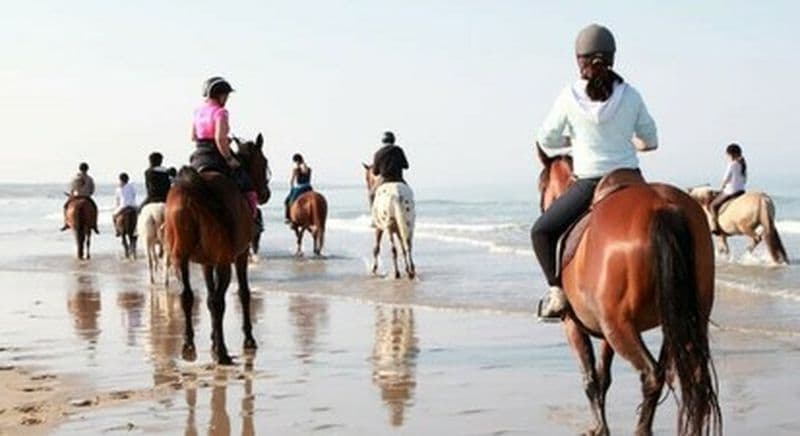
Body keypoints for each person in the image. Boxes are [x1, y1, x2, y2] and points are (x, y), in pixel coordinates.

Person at [531, 24, 658, 321]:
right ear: (613, 58)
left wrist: (573, 140)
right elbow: (651, 141)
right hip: (631, 180)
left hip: (591, 183)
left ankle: (557, 294)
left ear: (580, 60)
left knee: (541, 232)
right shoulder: (631, 94)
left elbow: (546, 139)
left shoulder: (568, 97)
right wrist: (629, 141)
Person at [190, 76, 258, 215]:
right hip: (215, 156)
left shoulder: (198, 111)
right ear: (220, 95)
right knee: (246, 183)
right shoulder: (221, 112)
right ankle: (252, 218)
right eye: (226, 95)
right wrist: (229, 158)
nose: (226, 99)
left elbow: (193, 136)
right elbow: (219, 138)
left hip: (198, 157)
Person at [709, 143, 747, 234]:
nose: (727, 156)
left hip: (731, 191)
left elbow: (725, 179)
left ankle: (715, 226)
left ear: (731, 154)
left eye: (727, 154)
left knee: (713, 205)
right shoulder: (742, 164)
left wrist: (721, 188)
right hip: (741, 190)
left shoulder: (732, 164)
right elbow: (744, 179)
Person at [62, 162, 99, 232]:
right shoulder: (90, 178)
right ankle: (94, 225)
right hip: (86, 197)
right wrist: (89, 193)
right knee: (95, 208)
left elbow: (71, 188)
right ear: (87, 169)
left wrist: (71, 194)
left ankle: (66, 223)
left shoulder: (74, 178)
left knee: (65, 207)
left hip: (76, 196)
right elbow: (92, 189)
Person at [284, 153, 313, 223]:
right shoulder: (308, 168)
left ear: (296, 161)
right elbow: (306, 172)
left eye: (295, 161)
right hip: (309, 188)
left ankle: (288, 218)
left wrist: (292, 187)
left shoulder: (296, 169)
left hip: (300, 189)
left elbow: (291, 182)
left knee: (288, 201)